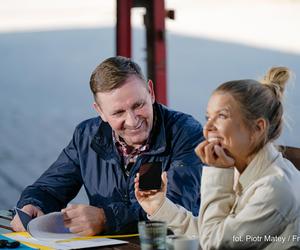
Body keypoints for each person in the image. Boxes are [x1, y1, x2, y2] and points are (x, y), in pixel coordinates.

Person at [11, 56, 204, 236]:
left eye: (138, 105)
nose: (132, 120)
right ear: (100, 111)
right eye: (119, 112)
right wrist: (32, 204)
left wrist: (107, 219)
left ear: (151, 93)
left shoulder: (185, 132)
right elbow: (48, 189)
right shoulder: (87, 135)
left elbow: (177, 207)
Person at [135, 67, 300, 250]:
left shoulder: (274, 188)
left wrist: (218, 173)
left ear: (258, 128)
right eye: (208, 117)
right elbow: (211, 232)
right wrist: (160, 207)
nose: (207, 128)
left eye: (221, 116)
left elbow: (214, 244)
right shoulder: (241, 170)